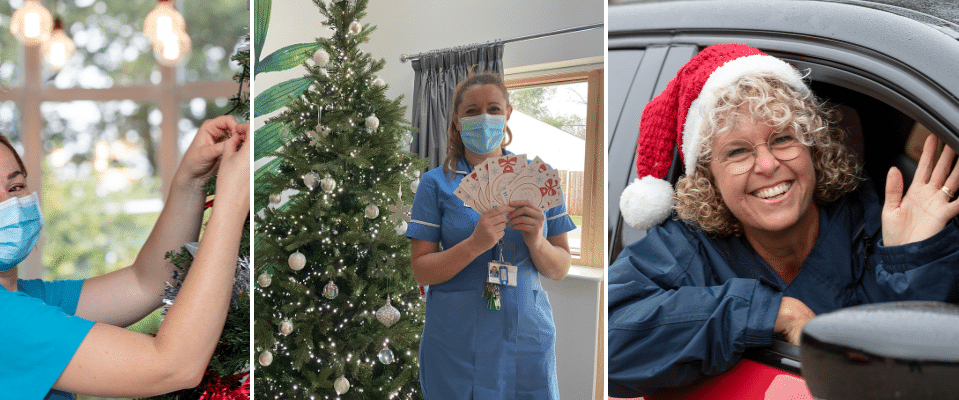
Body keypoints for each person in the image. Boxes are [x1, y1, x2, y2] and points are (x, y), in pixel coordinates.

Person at [609, 43, 959, 398]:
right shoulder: (684, 249)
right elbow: (607, 344)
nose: (766, 164)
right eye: (738, 151)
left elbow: (912, 369)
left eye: (783, 139)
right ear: (708, 178)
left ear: (812, 146)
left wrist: (911, 259)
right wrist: (770, 313)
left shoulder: (875, 222)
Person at [0, 115, 249, 399]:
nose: (8, 204)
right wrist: (233, 201)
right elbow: (173, 366)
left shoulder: (3, 298)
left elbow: (147, 282)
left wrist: (190, 181)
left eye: (16, 186)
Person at [406, 71, 577, 399]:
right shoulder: (435, 183)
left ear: (508, 114)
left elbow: (559, 268)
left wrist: (537, 241)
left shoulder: (539, 178)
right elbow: (421, 269)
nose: (483, 117)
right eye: (471, 111)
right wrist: (474, 245)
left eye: (494, 109)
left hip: (524, 338)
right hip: (455, 342)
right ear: (457, 120)